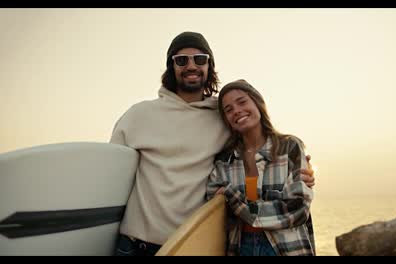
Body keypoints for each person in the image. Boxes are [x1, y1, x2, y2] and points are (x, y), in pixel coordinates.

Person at [110, 31, 316, 256]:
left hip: (193, 246)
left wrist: (302, 171)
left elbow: (260, 142)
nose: (191, 65)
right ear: (171, 68)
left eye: (200, 59)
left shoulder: (221, 116)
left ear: (209, 66)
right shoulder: (139, 115)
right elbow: (111, 175)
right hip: (136, 245)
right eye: (181, 60)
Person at [206, 79, 316, 256]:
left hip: (286, 247)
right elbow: (213, 209)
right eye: (229, 109)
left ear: (257, 103)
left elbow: (297, 209)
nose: (237, 111)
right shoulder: (224, 160)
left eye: (242, 102)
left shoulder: (289, 147)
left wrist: (233, 198)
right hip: (242, 248)